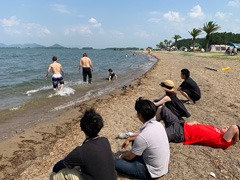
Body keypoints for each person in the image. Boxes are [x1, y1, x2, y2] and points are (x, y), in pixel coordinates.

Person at [51, 108, 117, 180]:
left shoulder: (81, 151)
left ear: (82, 128)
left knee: (58, 173)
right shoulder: (105, 141)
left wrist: (70, 161)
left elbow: (56, 167)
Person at [115, 97, 170, 179]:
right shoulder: (158, 125)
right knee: (136, 143)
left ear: (140, 115)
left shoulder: (143, 136)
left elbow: (129, 156)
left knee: (115, 163)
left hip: (152, 172)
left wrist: (120, 156)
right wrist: (130, 139)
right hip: (163, 166)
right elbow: (147, 138)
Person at [156, 105, 239, 149]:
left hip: (180, 133)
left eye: (228, 129)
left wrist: (236, 138)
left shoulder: (224, 142)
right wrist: (195, 122)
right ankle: (151, 127)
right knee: (161, 108)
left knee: (155, 136)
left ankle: (151, 132)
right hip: (180, 123)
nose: (228, 127)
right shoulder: (218, 131)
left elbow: (234, 127)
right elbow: (202, 129)